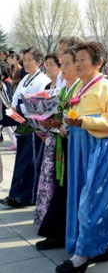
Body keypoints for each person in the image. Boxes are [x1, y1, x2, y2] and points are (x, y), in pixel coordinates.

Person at [57, 42, 108, 273]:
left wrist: (84, 122)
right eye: (75, 59)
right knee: (84, 196)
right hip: (80, 146)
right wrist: (66, 125)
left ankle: (83, 254)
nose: (77, 64)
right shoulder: (79, 85)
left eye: (82, 60)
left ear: (98, 63)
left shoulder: (107, 86)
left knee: (92, 200)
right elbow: (75, 113)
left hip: (99, 147)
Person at [35, 47, 81, 251]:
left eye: (68, 64)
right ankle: (57, 233)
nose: (64, 68)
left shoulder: (80, 87)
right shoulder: (65, 88)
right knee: (61, 187)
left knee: (69, 189)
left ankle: (63, 234)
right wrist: (51, 122)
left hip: (74, 145)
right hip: (61, 144)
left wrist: (60, 123)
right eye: (63, 64)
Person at [0, 47, 50, 208]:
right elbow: (16, 98)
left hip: (33, 123)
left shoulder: (43, 80)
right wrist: (14, 109)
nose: (26, 63)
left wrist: (19, 109)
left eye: (30, 60)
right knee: (22, 159)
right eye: (25, 59)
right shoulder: (26, 78)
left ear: (39, 62)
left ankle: (25, 196)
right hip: (21, 121)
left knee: (30, 161)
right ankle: (16, 194)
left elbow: (38, 103)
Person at [34, 54, 62, 224]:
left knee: (53, 177)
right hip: (48, 135)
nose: (48, 68)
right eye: (47, 65)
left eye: (52, 65)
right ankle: (44, 214)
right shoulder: (47, 85)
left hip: (58, 133)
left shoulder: (62, 87)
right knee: (45, 174)